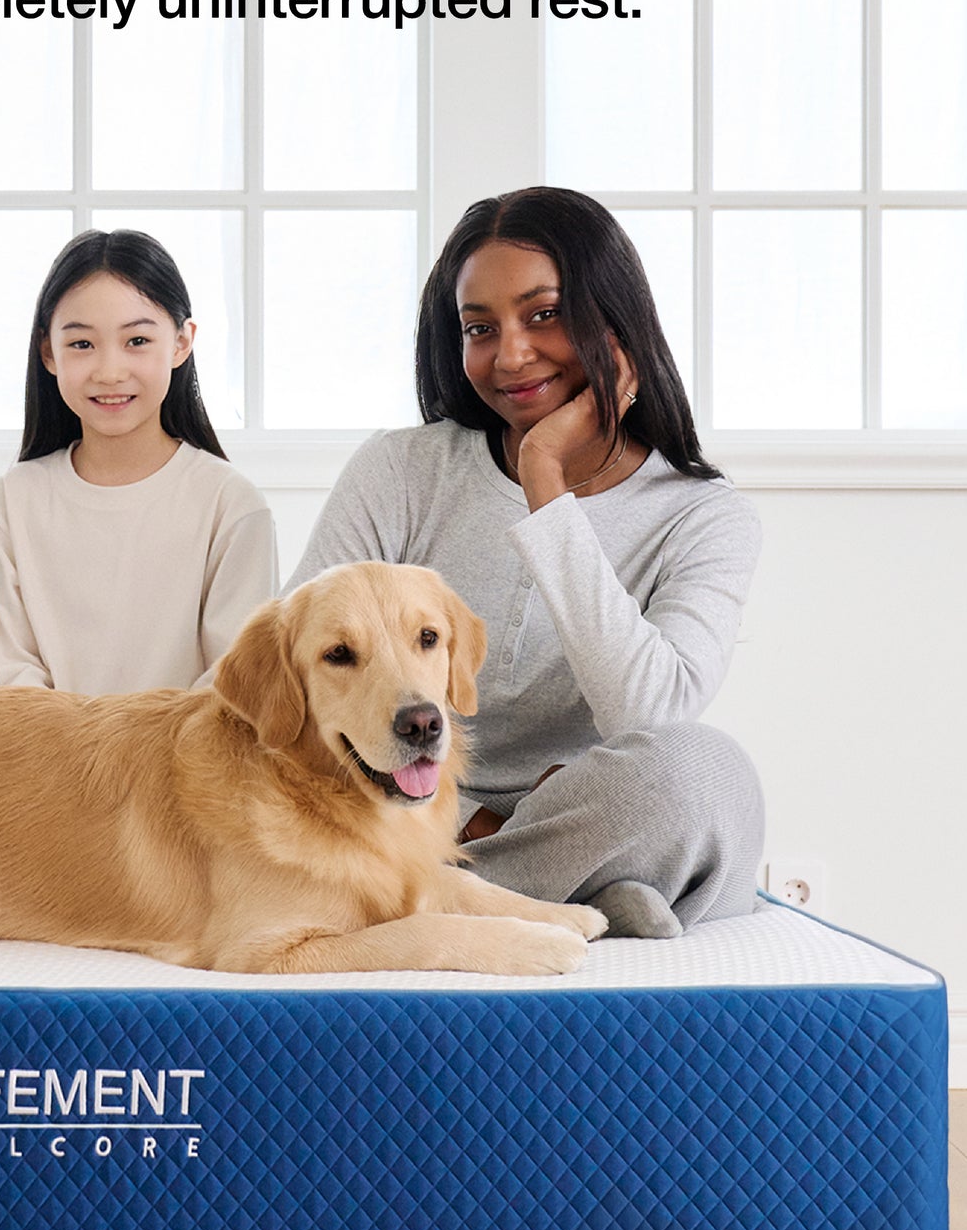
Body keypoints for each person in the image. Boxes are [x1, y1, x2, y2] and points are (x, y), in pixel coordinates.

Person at [287, 187, 763, 936]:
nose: (510, 355)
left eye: (544, 315)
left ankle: (465, 896)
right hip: (398, 803)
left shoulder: (704, 516)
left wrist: (546, 482)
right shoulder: (402, 470)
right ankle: (562, 903)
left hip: (592, 811)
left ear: (615, 324)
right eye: (480, 328)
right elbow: (301, 680)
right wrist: (467, 813)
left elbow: (652, 717)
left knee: (702, 772)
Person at [0, 228, 278, 694]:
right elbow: (8, 682)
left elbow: (233, 686)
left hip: (184, 764)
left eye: (136, 341)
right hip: (42, 763)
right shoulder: (11, 503)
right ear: (48, 352)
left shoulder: (231, 505)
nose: (110, 371)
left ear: (181, 343)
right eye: (82, 344)